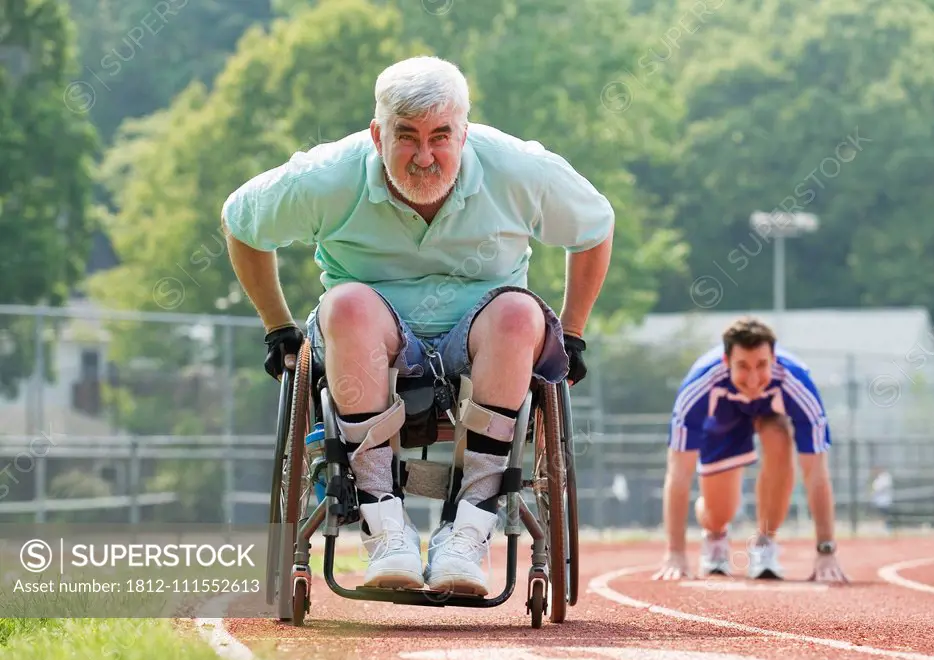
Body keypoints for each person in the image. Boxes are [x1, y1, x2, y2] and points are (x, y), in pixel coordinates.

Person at [221, 56, 613, 596]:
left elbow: (594, 227)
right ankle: (385, 527)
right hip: (370, 334)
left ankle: (468, 532)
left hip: (485, 336)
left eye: (440, 137)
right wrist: (277, 326)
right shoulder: (328, 177)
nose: (424, 156)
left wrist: (571, 332)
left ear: (465, 133)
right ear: (377, 134)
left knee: (521, 311)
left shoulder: (519, 170)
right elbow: (240, 221)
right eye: (406, 137)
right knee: (347, 305)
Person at [651, 316, 848, 583]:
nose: (754, 379)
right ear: (726, 362)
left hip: (771, 416)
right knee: (719, 514)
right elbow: (678, 474)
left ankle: (765, 543)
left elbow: (816, 472)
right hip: (723, 421)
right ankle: (716, 534)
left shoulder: (798, 384)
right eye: (743, 366)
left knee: (779, 435)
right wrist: (675, 553)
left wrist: (826, 549)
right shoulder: (699, 387)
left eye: (762, 365)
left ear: (774, 359)